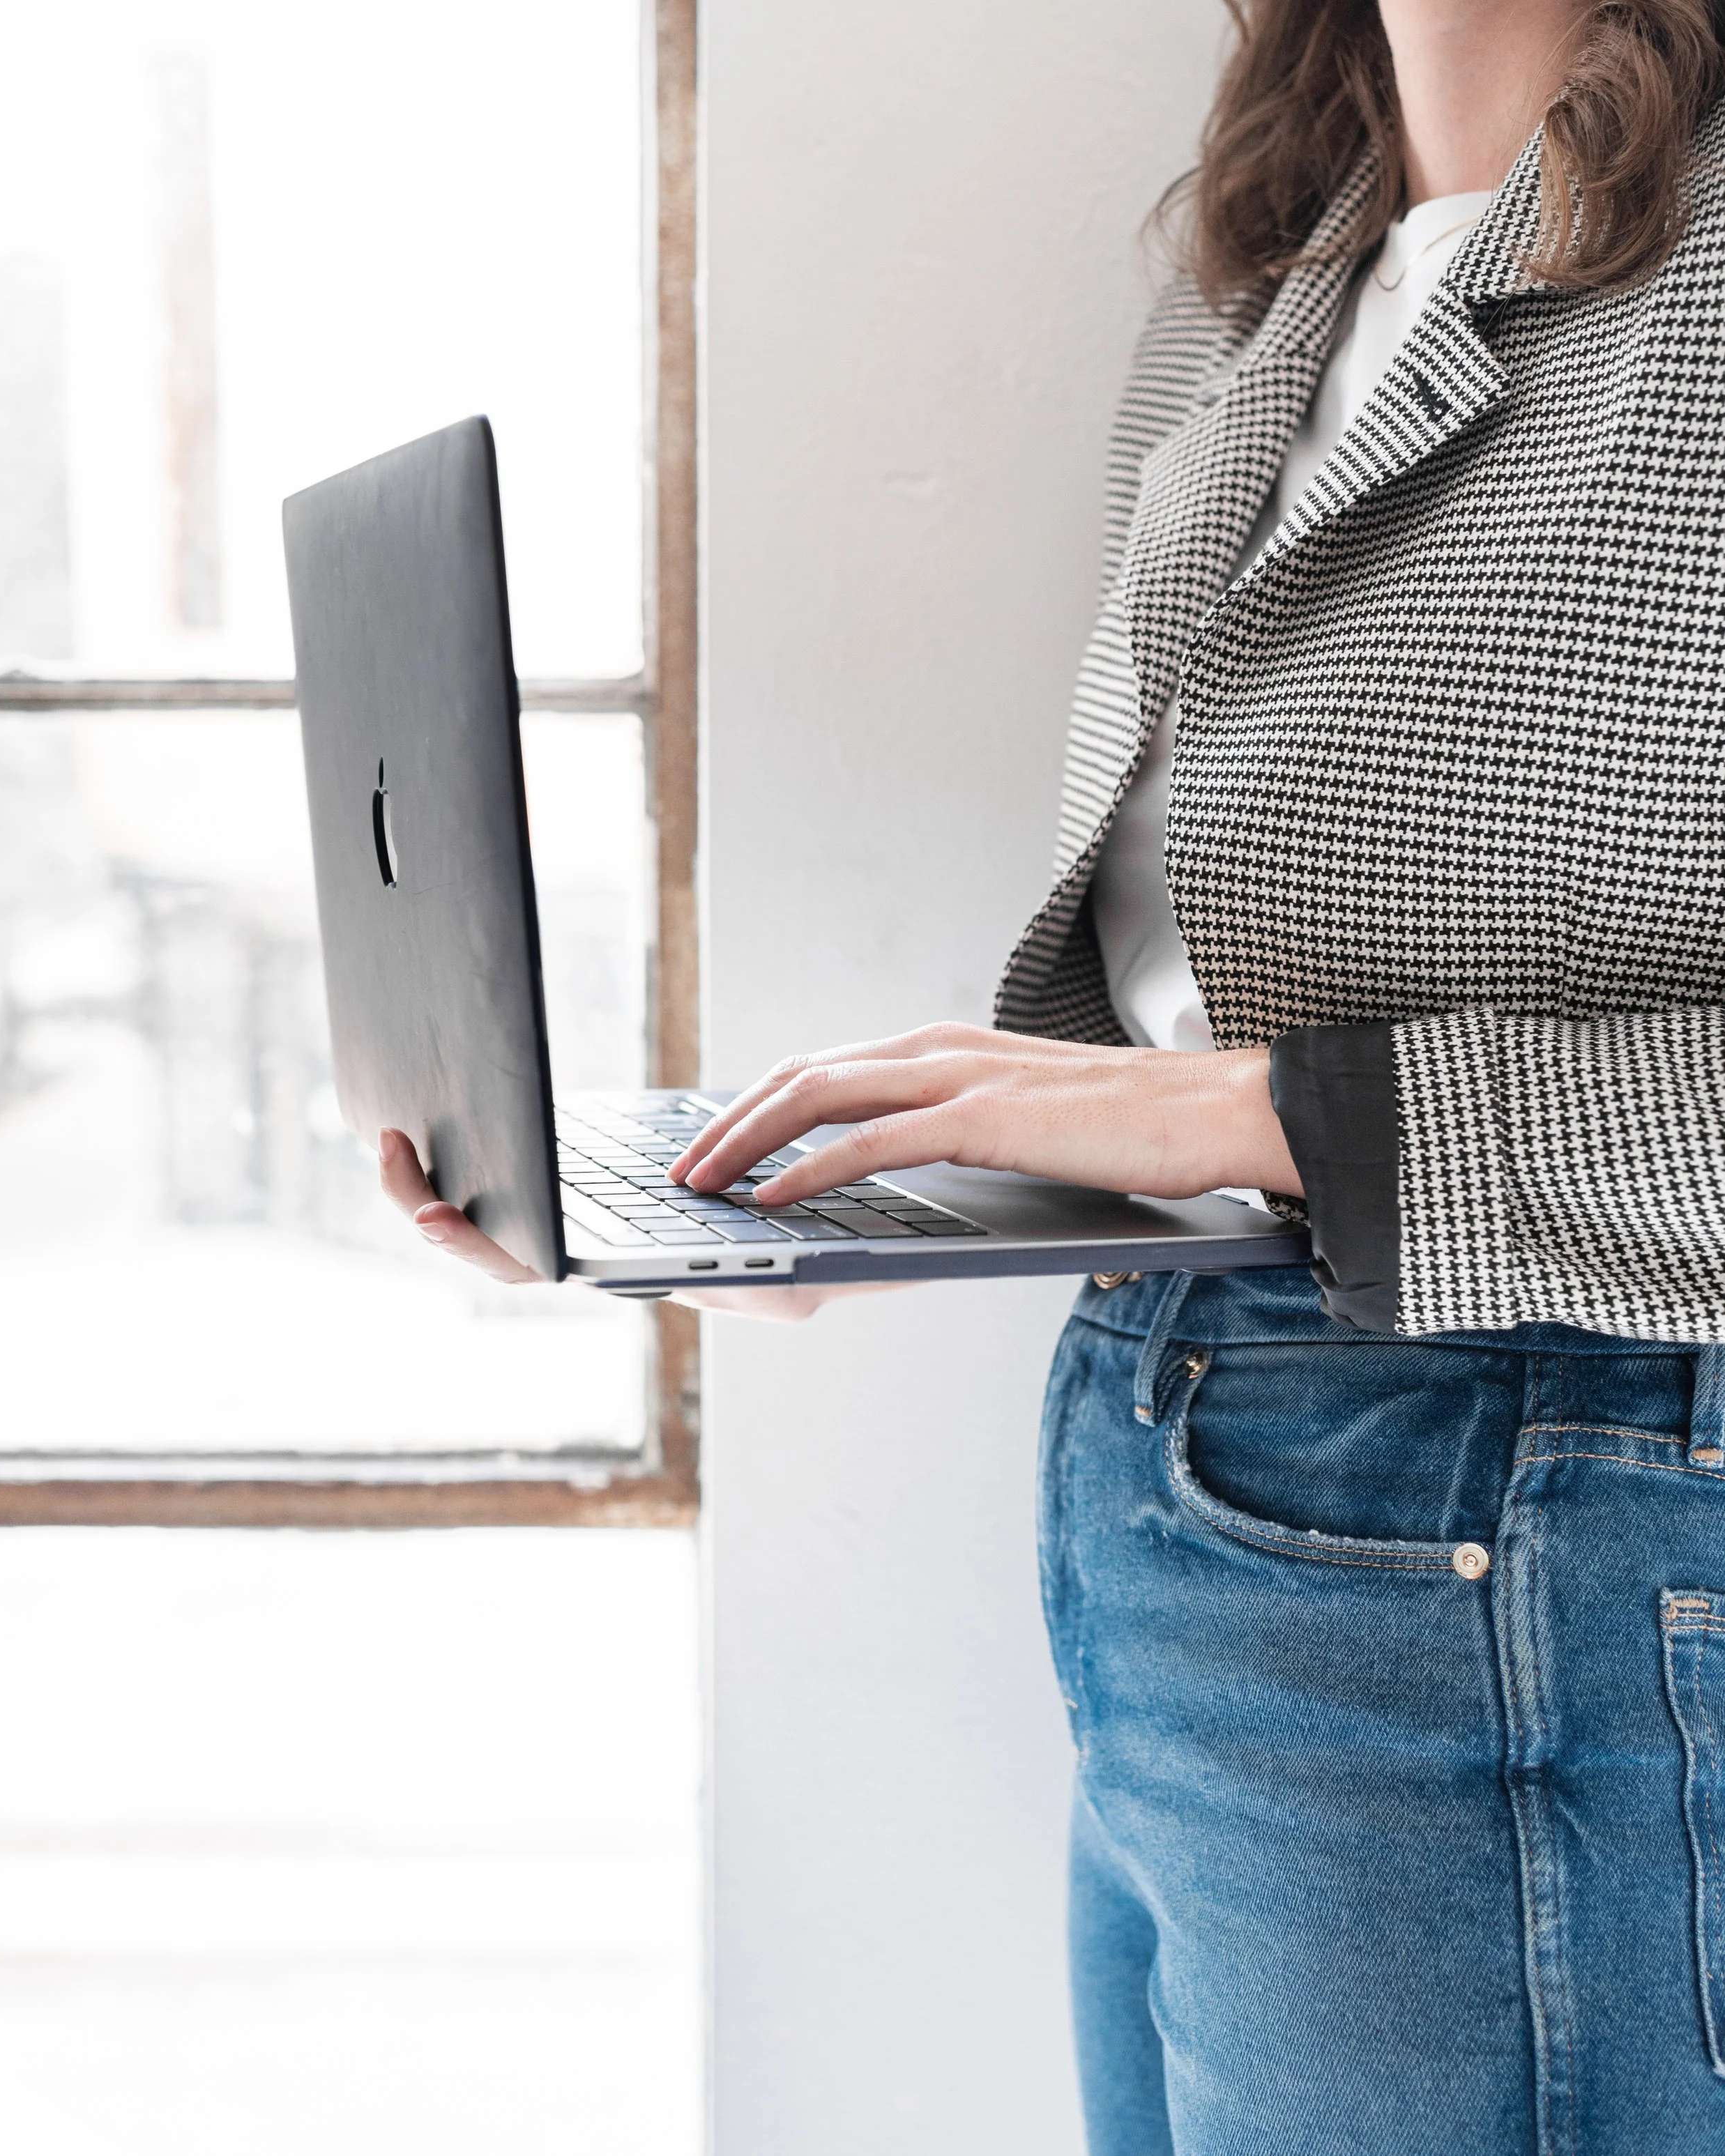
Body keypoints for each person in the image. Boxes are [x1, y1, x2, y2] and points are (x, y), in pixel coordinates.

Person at [380, 0, 1725, 2144]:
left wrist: (1279, 1115)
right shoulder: (1282, 259)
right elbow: (1215, 984)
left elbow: (1277, 1091)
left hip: (1524, 1516)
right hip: (1181, 1466)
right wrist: (889, 1182)